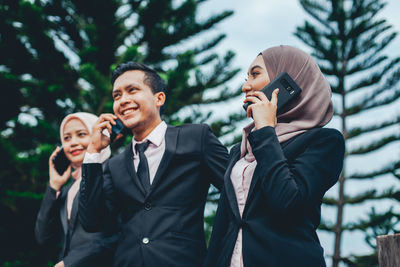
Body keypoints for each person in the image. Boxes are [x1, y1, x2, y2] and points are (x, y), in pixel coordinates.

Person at [204, 45, 345, 267]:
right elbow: (223, 225)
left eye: (255, 74)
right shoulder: (240, 150)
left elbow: (287, 202)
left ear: (288, 79)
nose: (245, 86)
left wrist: (265, 130)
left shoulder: (324, 142)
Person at [79, 62, 228, 267]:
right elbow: (91, 222)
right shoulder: (114, 166)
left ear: (159, 98)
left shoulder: (196, 138)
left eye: (132, 90)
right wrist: (93, 153)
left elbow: (237, 192)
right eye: (117, 95)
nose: (123, 100)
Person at [35, 112, 115, 267]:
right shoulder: (68, 189)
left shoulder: (114, 173)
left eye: (81, 134)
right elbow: (43, 237)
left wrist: (71, 262)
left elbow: (122, 232)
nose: (73, 143)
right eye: (66, 138)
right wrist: (54, 186)